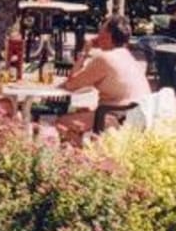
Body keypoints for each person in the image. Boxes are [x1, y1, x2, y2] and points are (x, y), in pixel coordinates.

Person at [55, 15, 152, 144]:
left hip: (117, 116)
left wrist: (84, 51)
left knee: (61, 123)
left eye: (101, 30)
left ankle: (85, 157)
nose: (97, 34)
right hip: (138, 114)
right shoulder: (127, 56)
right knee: (81, 112)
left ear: (108, 35)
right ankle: (86, 154)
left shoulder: (104, 58)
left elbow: (71, 85)